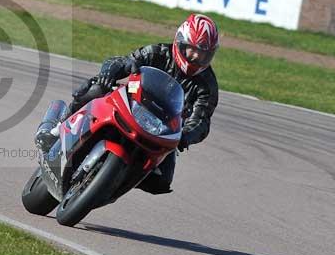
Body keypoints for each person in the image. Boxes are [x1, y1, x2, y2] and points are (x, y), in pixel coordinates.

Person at [36, 13, 220, 195]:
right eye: (193, 49)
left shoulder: (208, 86)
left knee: (161, 180)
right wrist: (111, 71)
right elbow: (126, 61)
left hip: (162, 129)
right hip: (131, 105)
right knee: (97, 88)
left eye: (204, 53)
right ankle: (56, 129)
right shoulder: (157, 52)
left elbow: (202, 120)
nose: (197, 56)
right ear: (180, 42)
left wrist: (186, 136)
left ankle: (114, 180)